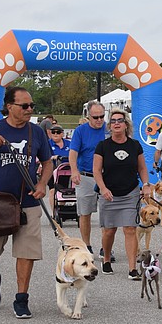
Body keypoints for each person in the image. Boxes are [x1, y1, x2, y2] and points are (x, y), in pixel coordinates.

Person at [0, 86, 52, 319]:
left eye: (31, 106)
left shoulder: (36, 132)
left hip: (27, 201)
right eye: (24, 105)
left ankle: (21, 298)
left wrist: (42, 184)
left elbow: (47, 163)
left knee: (26, 251)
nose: (29, 109)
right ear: (9, 106)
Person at [93, 108, 153, 279]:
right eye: (113, 121)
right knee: (109, 231)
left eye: (120, 120)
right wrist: (103, 188)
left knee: (129, 229)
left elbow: (142, 168)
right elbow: (97, 170)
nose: (117, 123)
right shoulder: (103, 146)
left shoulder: (134, 145)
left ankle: (132, 268)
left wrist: (146, 184)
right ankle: (106, 259)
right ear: (109, 126)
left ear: (126, 125)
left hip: (130, 193)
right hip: (109, 194)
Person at [69, 101, 108, 253]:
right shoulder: (80, 131)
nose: (99, 120)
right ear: (88, 116)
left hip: (106, 176)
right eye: (95, 117)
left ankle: (106, 246)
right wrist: (74, 170)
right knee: (85, 212)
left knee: (107, 213)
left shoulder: (109, 129)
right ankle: (86, 245)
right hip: (86, 175)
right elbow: (73, 152)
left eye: (102, 117)